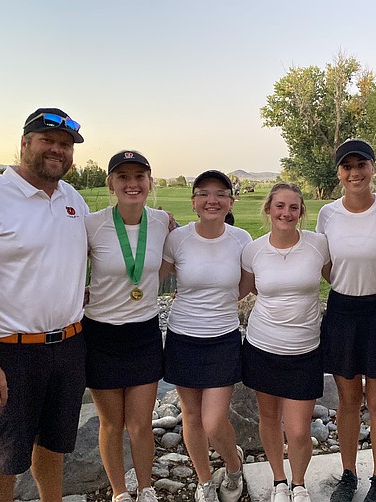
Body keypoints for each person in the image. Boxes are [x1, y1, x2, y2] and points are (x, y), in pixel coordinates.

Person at [0, 108, 87, 502]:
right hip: (8, 353)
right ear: (24, 144)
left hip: (69, 346)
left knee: (54, 446)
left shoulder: (72, 199)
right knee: (3, 456)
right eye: (48, 141)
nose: (58, 150)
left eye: (65, 144)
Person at [316, 139, 376, 502]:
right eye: (346, 167)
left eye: (361, 165)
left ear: (372, 168)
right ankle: (349, 473)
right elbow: (325, 263)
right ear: (339, 172)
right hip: (342, 311)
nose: (354, 173)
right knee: (348, 400)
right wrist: (347, 280)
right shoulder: (328, 213)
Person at [83, 150, 169, 502]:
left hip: (144, 333)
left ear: (150, 181)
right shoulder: (91, 224)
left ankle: (145, 489)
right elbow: (65, 265)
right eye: (123, 177)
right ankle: (120, 492)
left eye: (139, 176)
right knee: (110, 424)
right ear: (111, 184)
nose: (132, 184)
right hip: (100, 334)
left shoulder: (163, 221)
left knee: (140, 424)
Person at [162, 170, 251, 502]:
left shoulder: (241, 239)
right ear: (194, 201)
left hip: (223, 337)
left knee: (214, 421)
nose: (212, 200)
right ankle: (203, 480)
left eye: (220, 194)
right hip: (183, 337)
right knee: (191, 415)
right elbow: (159, 274)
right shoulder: (178, 239)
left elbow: (246, 285)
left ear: (230, 201)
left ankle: (233, 465)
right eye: (203, 193)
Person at [240, 183, 330, 502]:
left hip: (305, 351)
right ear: (268, 209)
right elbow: (244, 288)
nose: (286, 213)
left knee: (298, 429)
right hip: (262, 347)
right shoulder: (254, 249)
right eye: (280, 206)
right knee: (268, 417)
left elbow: (342, 277)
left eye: (293, 208)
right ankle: (279, 481)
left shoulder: (318, 245)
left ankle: (299, 483)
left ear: (301, 212)